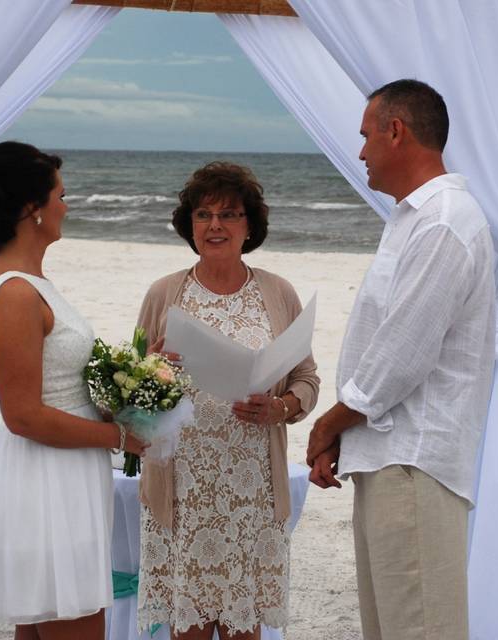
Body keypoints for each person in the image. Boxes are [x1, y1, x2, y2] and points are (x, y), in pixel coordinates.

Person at [306, 80, 495, 640]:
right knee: (391, 626)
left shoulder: (442, 220)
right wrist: (347, 433)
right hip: (387, 452)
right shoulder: (413, 219)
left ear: (396, 131)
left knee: (419, 628)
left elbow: (404, 352)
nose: (361, 151)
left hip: (413, 460)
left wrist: (329, 422)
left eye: (366, 136)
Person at [0, 141, 147, 640]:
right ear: (31, 209)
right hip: (48, 481)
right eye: (61, 194)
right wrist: (119, 438)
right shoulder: (17, 293)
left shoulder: (27, 281)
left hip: (62, 471)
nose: (67, 205)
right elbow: (22, 414)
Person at [136, 161, 320, 640]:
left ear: (249, 226)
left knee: (244, 630)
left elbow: (307, 380)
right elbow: (132, 394)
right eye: (203, 214)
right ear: (189, 226)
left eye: (229, 214)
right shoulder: (163, 294)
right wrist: (151, 372)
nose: (215, 225)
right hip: (182, 486)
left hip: (252, 487)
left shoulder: (278, 293)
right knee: (187, 628)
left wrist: (280, 408)